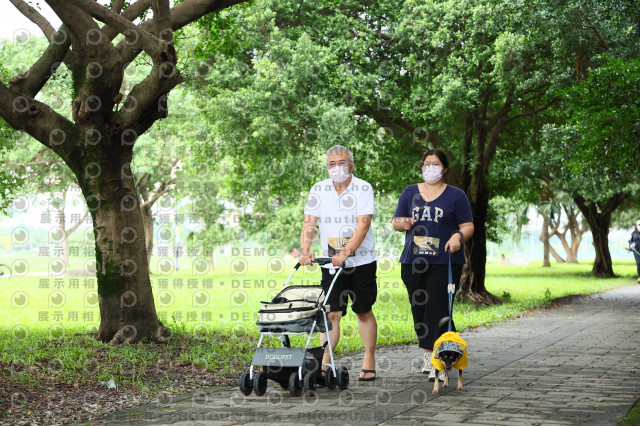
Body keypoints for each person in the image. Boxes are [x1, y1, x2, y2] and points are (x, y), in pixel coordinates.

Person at [392, 149, 474, 382]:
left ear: (445, 169)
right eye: (426, 164)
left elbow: (468, 225)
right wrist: (403, 222)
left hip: (444, 260)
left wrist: (458, 236)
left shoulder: (456, 195)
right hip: (413, 261)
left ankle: (434, 359)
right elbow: (395, 222)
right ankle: (450, 349)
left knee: (437, 307)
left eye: (435, 164)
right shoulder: (409, 192)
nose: (430, 168)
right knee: (419, 308)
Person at [299, 145, 378, 381]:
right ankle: (324, 365)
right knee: (331, 314)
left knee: (363, 311)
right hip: (330, 265)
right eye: (332, 164)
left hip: (361, 261)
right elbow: (309, 223)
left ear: (351, 165)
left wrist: (346, 251)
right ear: (327, 167)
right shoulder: (318, 189)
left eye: (342, 163)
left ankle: (369, 358)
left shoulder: (363, 188)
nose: (337, 168)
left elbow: (363, 224)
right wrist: (305, 251)